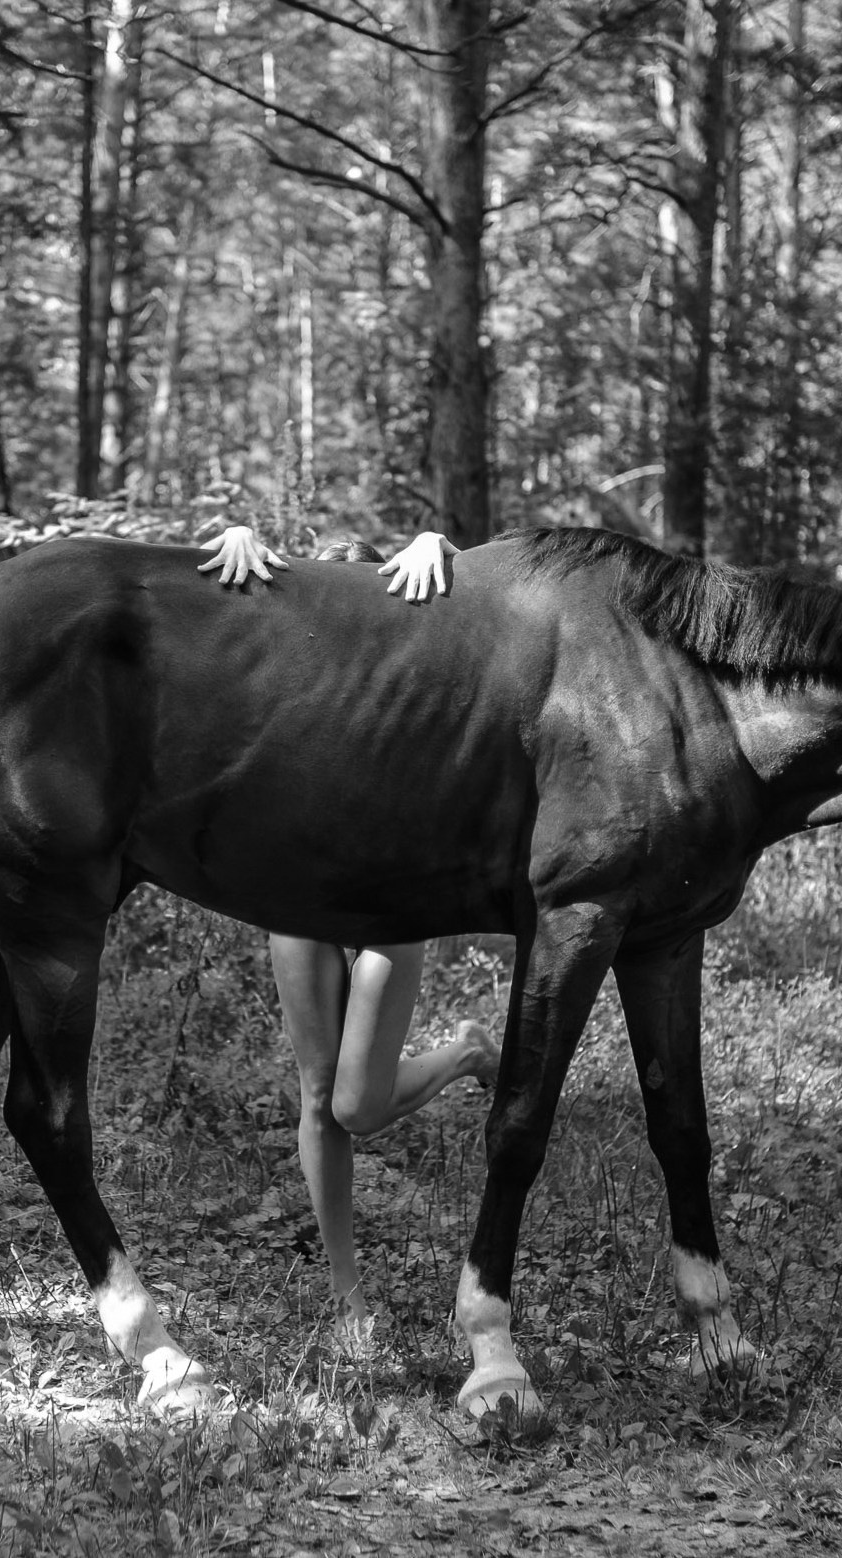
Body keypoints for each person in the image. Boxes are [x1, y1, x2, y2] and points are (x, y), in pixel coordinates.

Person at [195, 523, 500, 1339]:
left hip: (387, 903)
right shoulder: (283, 674)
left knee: (359, 1107)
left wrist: (441, 545)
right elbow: (210, 621)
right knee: (319, 1099)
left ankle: (469, 1049)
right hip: (295, 897)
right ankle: (345, 1297)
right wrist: (232, 534)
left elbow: (479, 622)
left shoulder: (405, 669)